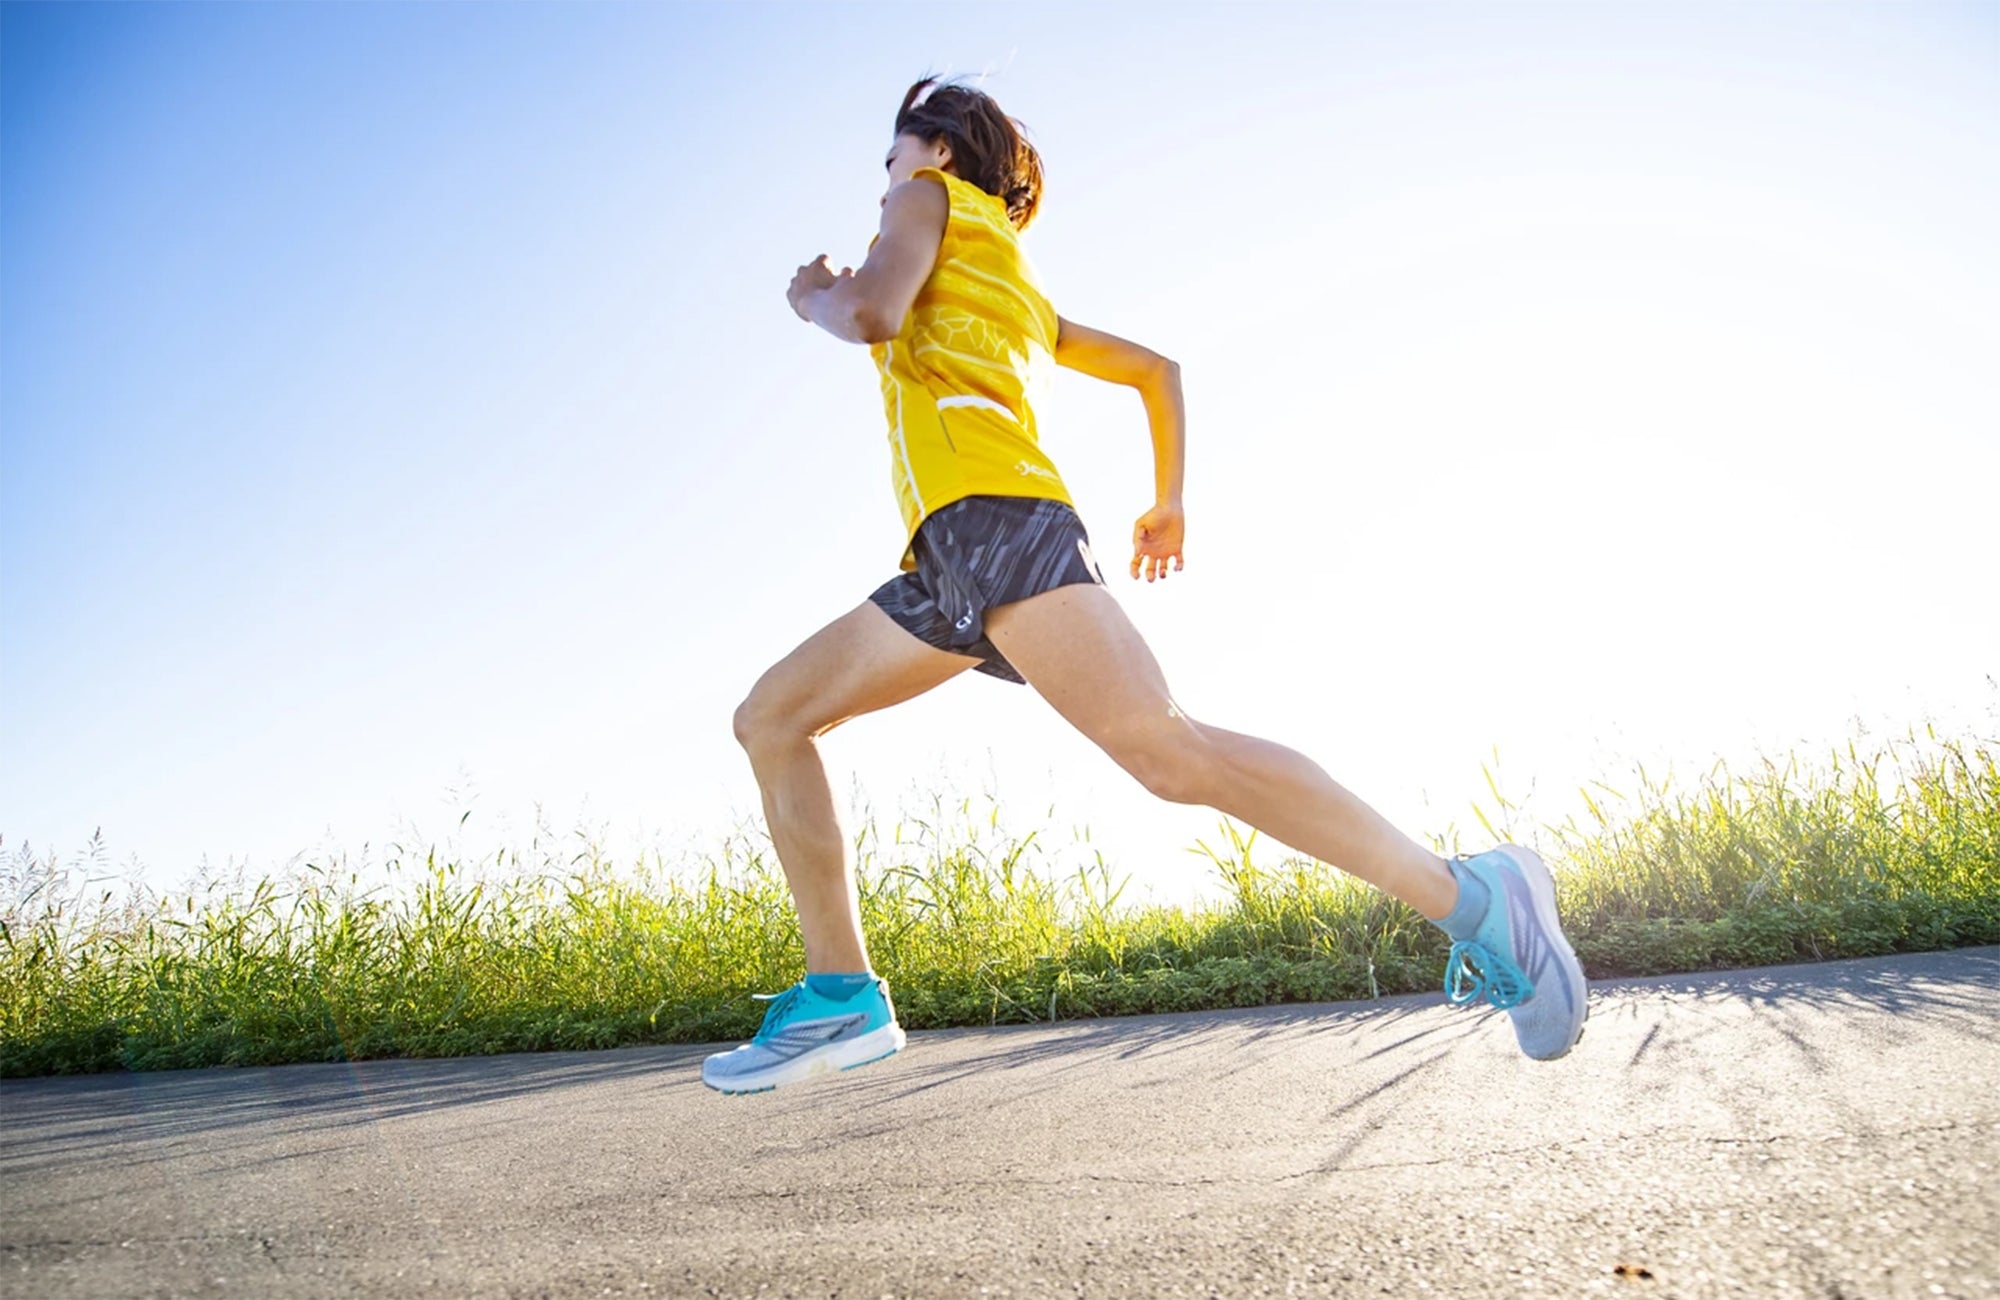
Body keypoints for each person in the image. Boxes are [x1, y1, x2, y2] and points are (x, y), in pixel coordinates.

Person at [701, 76, 1587, 1095]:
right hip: (951, 551)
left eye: (893, 156)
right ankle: (840, 992)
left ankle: (1477, 900)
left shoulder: (924, 201)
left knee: (1168, 752)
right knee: (772, 716)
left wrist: (813, 292)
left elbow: (868, 312)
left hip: (994, 520)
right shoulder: (1008, 280)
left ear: (938, 151)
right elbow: (1156, 369)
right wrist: (1168, 499)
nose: (885, 182)